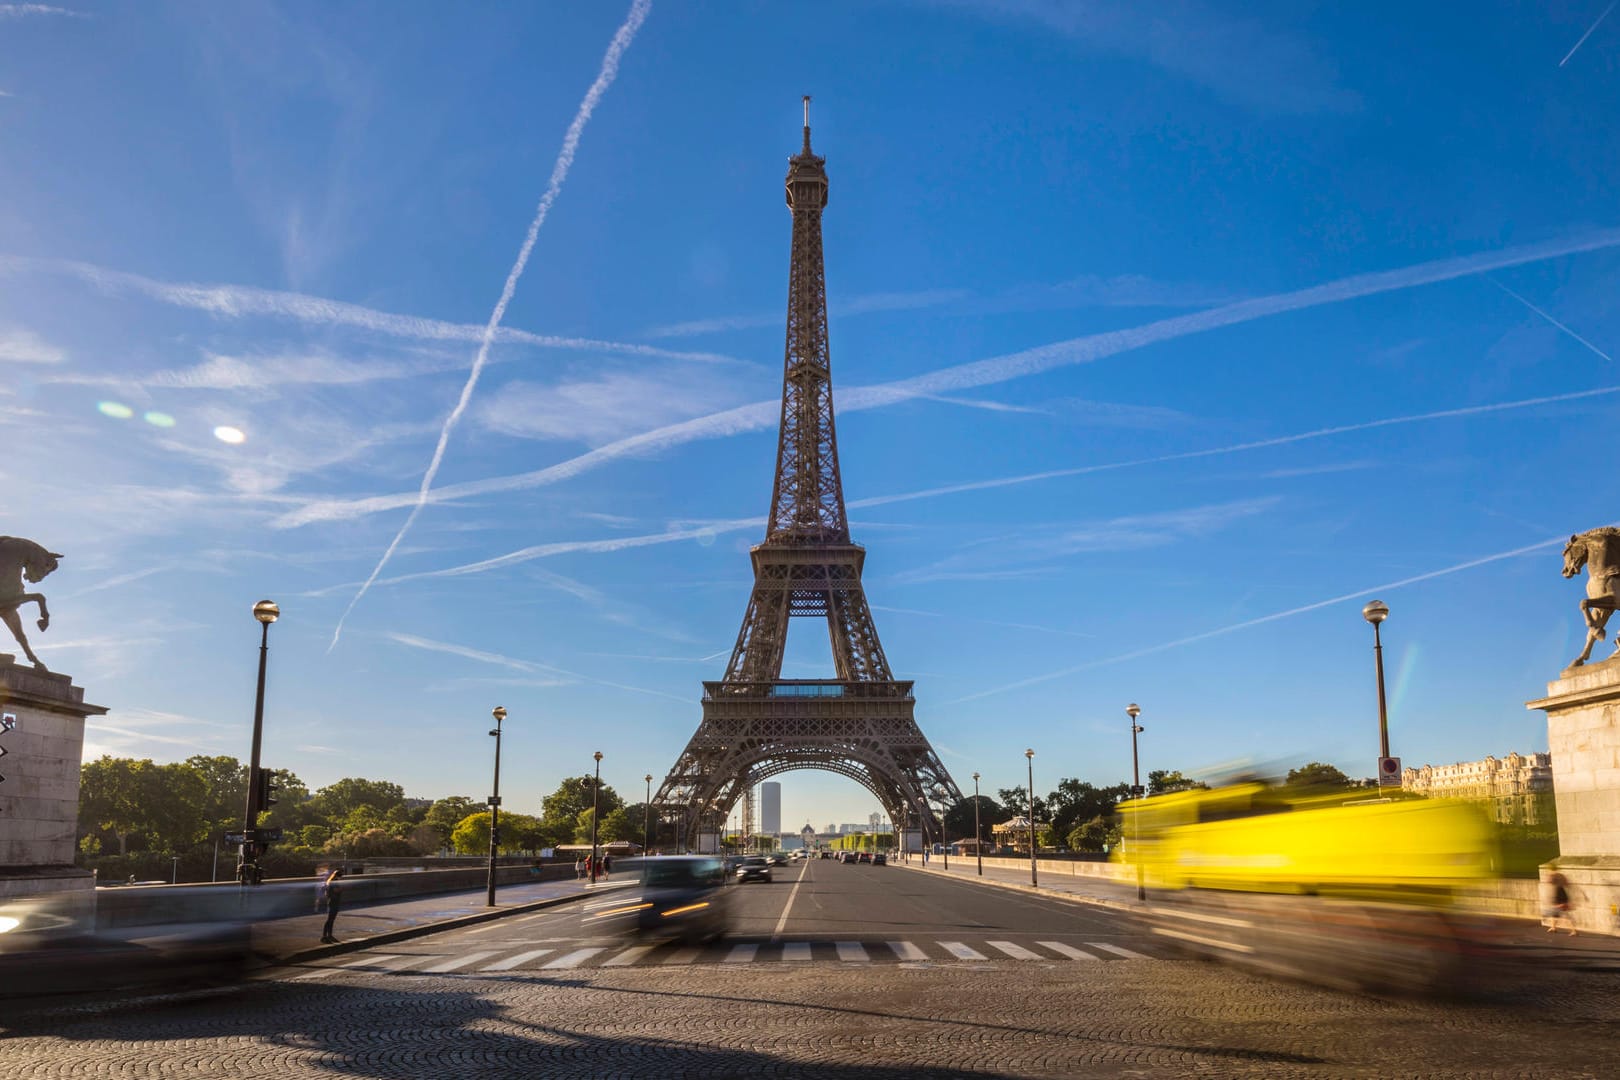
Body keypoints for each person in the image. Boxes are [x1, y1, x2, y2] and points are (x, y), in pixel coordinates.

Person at [320, 867, 345, 944]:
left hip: (334, 901)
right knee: (330, 919)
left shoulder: (331, 881)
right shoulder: (333, 882)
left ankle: (329, 935)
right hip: (333, 902)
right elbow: (336, 890)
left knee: (331, 919)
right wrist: (340, 889)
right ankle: (325, 936)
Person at [1546, 871, 1576, 936]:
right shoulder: (1559, 887)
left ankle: (1574, 931)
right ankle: (1553, 927)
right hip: (1559, 903)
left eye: (1551, 879)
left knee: (1566, 917)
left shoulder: (1559, 888)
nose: (1549, 881)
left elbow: (1562, 897)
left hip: (1561, 903)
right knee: (1554, 915)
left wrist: (1562, 904)